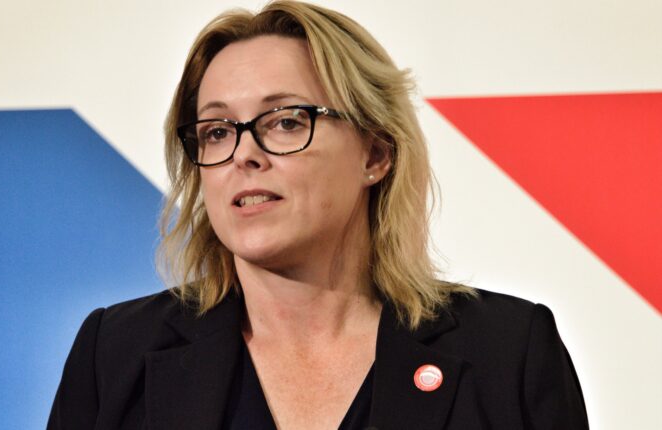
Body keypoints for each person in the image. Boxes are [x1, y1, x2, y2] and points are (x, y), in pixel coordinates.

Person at [48, 1, 589, 429]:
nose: (243, 154)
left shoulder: (508, 352)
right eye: (216, 131)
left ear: (375, 154)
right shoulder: (115, 352)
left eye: (285, 121)